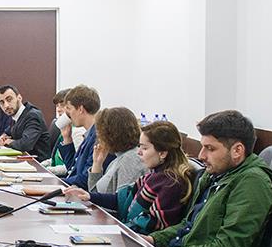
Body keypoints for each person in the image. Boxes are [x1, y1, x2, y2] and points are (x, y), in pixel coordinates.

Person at [146, 110, 272, 247]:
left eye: (210, 148)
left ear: (237, 150)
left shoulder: (252, 182)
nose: (201, 155)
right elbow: (188, 225)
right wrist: (153, 240)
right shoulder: (216, 174)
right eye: (202, 147)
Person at [64, 120, 194, 234]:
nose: (139, 152)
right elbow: (121, 199)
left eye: (144, 148)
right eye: (139, 147)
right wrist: (89, 196)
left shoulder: (170, 183)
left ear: (163, 153)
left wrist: (115, 230)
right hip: (129, 232)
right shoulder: (153, 176)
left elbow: (151, 225)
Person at [80, 107, 144, 195]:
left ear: (111, 134)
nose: (98, 136)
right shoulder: (118, 159)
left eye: (100, 132)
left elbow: (121, 201)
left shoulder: (129, 160)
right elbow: (95, 193)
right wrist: (97, 164)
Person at [55, 85, 105, 188]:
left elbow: (85, 178)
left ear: (81, 109)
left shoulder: (98, 138)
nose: (68, 114)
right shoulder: (89, 134)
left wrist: (56, 182)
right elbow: (72, 169)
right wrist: (67, 139)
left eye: (69, 108)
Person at [0, 85, 55, 160]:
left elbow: (26, 144)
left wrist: (8, 142)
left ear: (19, 98)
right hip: (23, 159)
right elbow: (10, 131)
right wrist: (4, 136)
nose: (6, 105)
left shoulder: (32, 116)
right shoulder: (16, 115)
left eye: (9, 99)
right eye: (2, 102)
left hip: (37, 162)